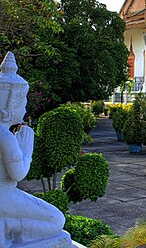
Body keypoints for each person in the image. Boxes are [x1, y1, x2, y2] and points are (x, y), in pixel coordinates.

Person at [0, 53, 70, 247]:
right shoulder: (5, 136)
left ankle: (4, 226)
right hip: (3, 194)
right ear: (8, 107)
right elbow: (18, 174)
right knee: (56, 220)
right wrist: (26, 148)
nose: (24, 110)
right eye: (22, 104)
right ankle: (7, 227)